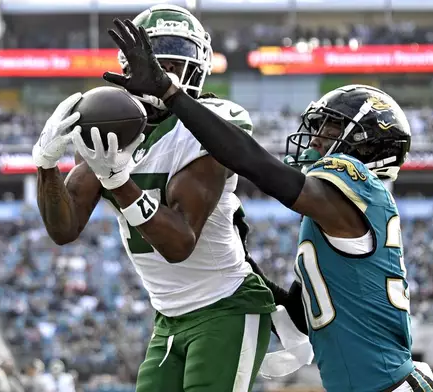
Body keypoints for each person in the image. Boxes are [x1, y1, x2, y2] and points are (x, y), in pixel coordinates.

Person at [103, 21, 433, 392]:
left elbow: (262, 169)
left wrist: (172, 94)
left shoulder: (355, 181)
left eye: (330, 129)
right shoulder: (335, 220)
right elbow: (303, 314)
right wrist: (245, 265)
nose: (314, 139)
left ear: (367, 146)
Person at [33, 5, 275, 392]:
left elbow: (179, 242)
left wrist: (118, 180)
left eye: (170, 68)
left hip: (225, 306)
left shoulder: (211, 126)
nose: (156, 78)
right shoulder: (111, 128)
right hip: (168, 317)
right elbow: (64, 229)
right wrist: (45, 164)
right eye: (150, 66)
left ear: (195, 72)